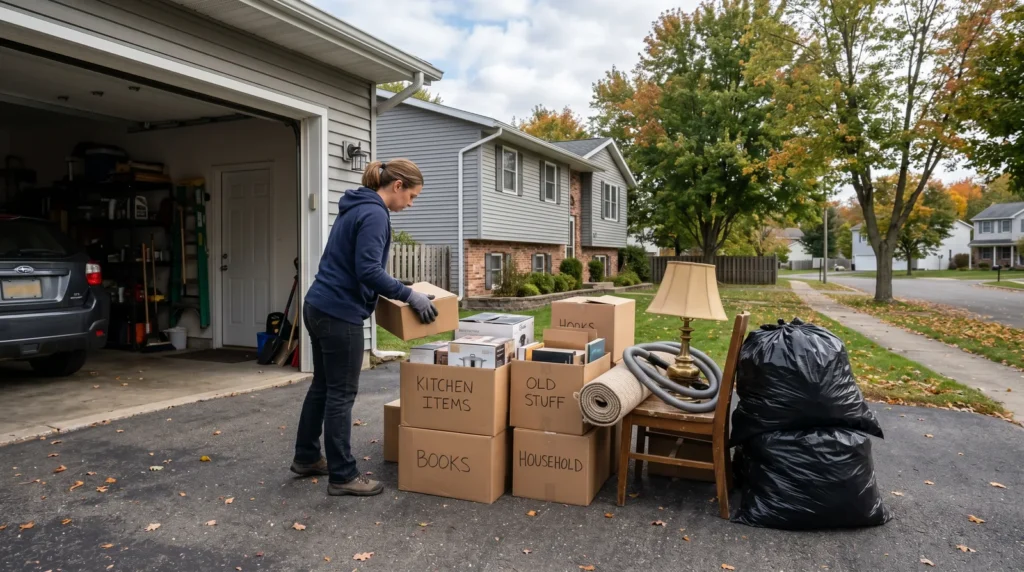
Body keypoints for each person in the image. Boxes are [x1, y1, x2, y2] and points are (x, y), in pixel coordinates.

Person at [291, 159, 437, 496]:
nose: (410, 204)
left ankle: (306, 457)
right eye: (412, 196)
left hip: (318, 305)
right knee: (340, 394)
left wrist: (401, 289)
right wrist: (409, 295)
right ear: (397, 185)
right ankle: (342, 475)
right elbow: (367, 270)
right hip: (339, 313)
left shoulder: (355, 206)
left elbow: (359, 266)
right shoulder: (374, 214)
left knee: (323, 387)